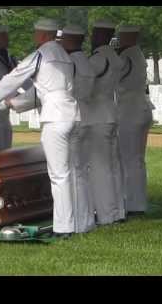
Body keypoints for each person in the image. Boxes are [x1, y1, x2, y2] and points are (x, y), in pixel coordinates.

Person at [0, 18, 80, 238]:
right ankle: (77, 222)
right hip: (72, 113)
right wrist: (14, 103)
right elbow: (41, 90)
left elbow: (13, 78)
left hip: (55, 116)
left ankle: (64, 228)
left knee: (58, 175)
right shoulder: (64, 55)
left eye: (35, 33)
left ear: (42, 35)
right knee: (70, 173)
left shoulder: (42, 54)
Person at [87, 19, 126, 225]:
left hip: (97, 115)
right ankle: (117, 210)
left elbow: (86, 83)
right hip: (110, 112)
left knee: (99, 166)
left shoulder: (98, 58)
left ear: (101, 36)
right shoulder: (114, 56)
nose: (92, 38)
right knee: (112, 166)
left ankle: (105, 214)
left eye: (94, 35)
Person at [61, 24, 97, 233]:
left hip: (73, 114)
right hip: (86, 115)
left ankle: (76, 220)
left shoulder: (70, 61)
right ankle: (85, 218)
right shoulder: (85, 61)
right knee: (81, 170)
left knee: (72, 170)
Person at [117, 25, 153, 215]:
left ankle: (132, 203)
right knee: (136, 160)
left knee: (129, 159)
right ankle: (137, 201)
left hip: (130, 111)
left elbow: (113, 79)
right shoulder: (137, 54)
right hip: (140, 108)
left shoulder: (126, 57)